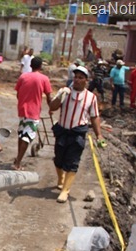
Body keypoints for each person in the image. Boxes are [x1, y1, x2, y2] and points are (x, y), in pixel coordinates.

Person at [48, 66, 104, 204]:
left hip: (77, 132)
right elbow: (52, 107)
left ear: (86, 80)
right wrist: (61, 96)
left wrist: (99, 135)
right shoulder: (64, 91)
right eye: (76, 77)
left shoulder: (91, 97)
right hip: (62, 130)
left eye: (81, 78)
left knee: (72, 162)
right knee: (59, 158)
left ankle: (65, 190)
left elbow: (94, 117)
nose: (77, 80)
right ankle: (61, 179)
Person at [13, 56, 52, 170]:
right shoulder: (44, 79)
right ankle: (18, 163)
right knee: (27, 136)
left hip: (22, 110)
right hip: (33, 111)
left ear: (30, 65)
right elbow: (49, 97)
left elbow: (18, 94)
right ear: (41, 66)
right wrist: (51, 108)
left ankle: (18, 158)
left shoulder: (23, 77)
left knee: (21, 134)